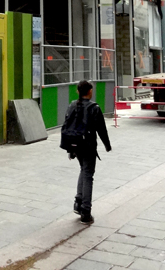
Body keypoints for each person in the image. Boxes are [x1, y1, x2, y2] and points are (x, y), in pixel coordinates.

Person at [64, 80, 111, 225]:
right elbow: (101, 129)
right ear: (90, 91)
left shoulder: (72, 105)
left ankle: (78, 203)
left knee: (83, 170)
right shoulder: (94, 108)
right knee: (88, 175)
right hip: (88, 146)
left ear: (78, 91)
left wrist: (70, 149)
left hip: (76, 145)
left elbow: (68, 126)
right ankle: (86, 211)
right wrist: (107, 145)